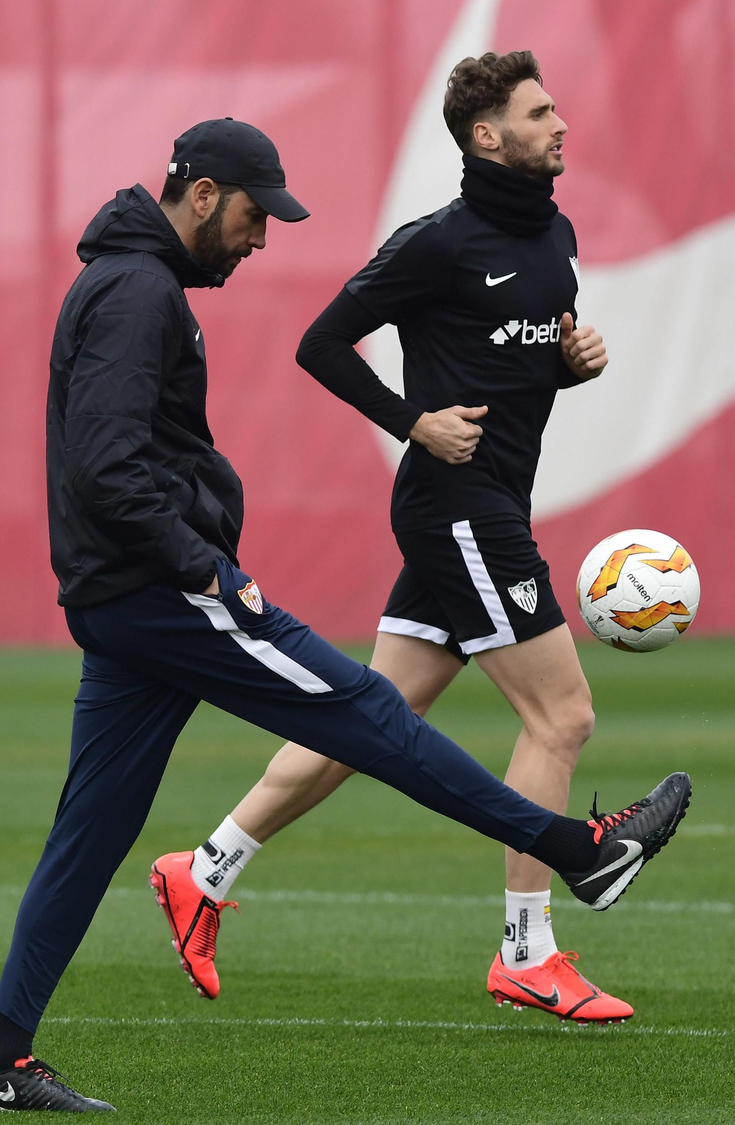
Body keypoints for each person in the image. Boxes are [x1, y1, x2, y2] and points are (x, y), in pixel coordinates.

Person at [0, 116, 691, 1113]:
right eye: (257, 216)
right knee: (368, 711)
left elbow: (121, 461)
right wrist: (208, 571)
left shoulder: (135, 283)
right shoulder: (135, 292)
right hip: (162, 593)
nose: (262, 240)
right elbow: (105, 467)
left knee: (88, 834)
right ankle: (580, 851)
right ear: (204, 194)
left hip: (125, 602)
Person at [151, 52, 655, 1023]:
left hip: (490, 502)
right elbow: (320, 344)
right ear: (485, 136)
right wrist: (412, 422)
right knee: (563, 717)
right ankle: (527, 949)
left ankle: (203, 867)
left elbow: (514, 367)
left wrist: (570, 364)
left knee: (362, 718)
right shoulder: (435, 243)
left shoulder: (555, 234)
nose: (559, 124)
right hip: (458, 508)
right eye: (537, 112)